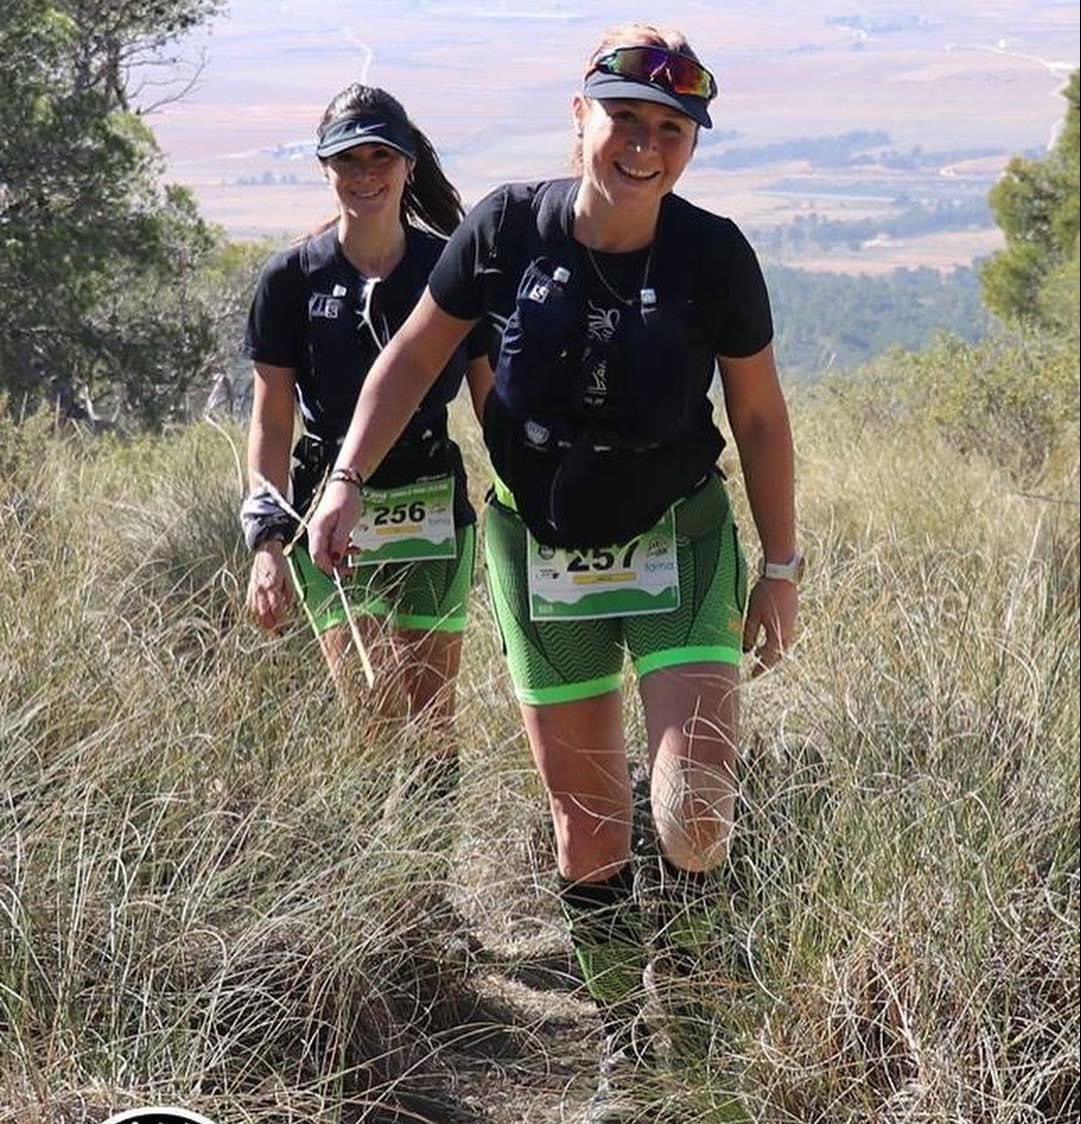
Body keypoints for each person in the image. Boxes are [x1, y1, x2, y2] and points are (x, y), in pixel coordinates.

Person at [306, 26, 800, 1120]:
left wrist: (780, 564)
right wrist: (342, 476)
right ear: (580, 117)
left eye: (671, 129)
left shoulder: (713, 255)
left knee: (693, 813)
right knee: (586, 829)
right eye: (624, 117)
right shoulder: (503, 231)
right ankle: (632, 1044)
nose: (644, 144)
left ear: (690, 148)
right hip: (537, 547)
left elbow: (758, 416)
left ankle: (707, 1017)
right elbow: (415, 356)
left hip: (680, 535)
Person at [241, 83, 491, 804]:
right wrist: (264, 543)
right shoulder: (290, 278)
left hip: (433, 503)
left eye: (380, 155)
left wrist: (527, 506)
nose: (364, 173)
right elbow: (271, 418)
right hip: (325, 512)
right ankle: (383, 892)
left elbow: (490, 401)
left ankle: (431, 894)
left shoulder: (451, 267)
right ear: (325, 167)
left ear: (408, 164)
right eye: (346, 158)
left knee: (430, 716)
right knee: (373, 709)